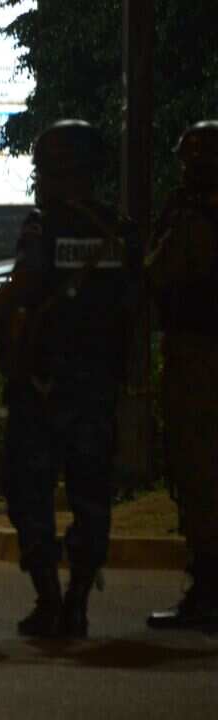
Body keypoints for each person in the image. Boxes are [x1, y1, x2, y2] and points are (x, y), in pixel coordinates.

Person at [0, 120, 132, 639]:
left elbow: (22, 289)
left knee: (29, 492)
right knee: (92, 496)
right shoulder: (117, 229)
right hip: (96, 387)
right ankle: (77, 602)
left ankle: (50, 598)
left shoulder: (42, 227)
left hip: (44, 386)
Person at [145, 121, 218, 631]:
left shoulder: (192, 219)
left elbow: (159, 273)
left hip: (198, 356)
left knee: (197, 472)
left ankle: (207, 589)